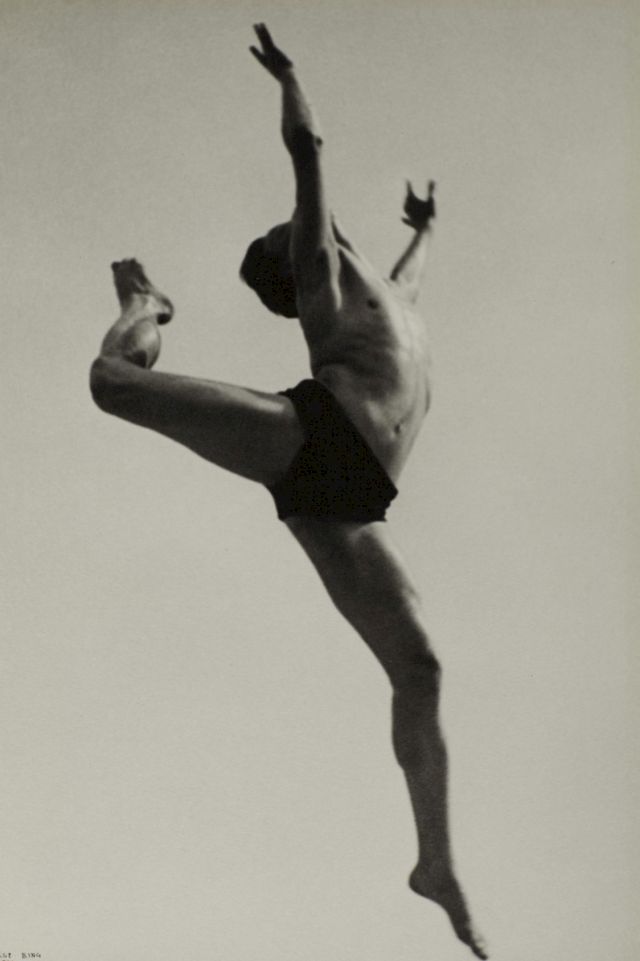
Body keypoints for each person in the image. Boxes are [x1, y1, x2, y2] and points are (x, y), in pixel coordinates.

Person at [90, 24, 487, 959]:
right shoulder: (317, 277)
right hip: (311, 435)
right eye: (289, 235)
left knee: (422, 667)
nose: (295, 228)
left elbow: (409, 277)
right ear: (293, 262)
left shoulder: (391, 298)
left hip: (352, 497)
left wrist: (425, 227)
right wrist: (291, 75)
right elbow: (307, 153)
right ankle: (146, 306)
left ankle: (434, 862)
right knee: (112, 385)